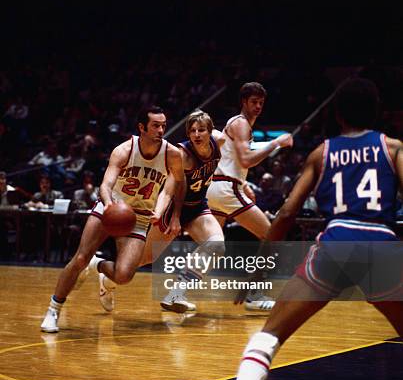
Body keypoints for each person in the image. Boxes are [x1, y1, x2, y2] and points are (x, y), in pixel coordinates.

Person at [209, 78, 403, 380]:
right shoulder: (392, 147)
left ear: (337, 113)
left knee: (268, 337)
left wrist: (258, 269)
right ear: (377, 113)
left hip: (335, 246)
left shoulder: (322, 152)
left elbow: (285, 214)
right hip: (381, 248)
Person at [41, 105, 185, 333]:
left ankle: (97, 265)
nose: (161, 130)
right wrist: (109, 205)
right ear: (142, 127)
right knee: (79, 258)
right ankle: (53, 309)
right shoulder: (124, 150)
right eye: (156, 125)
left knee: (124, 275)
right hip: (111, 208)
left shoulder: (172, 154)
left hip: (140, 216)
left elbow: (177, 184)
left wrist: (168, 212)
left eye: (163, 125)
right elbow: (106, 185)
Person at [207, 82, 293, 310]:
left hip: (217, 188)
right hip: (226, 190)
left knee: (211, 245)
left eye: (261, 103)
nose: (258, 106)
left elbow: (234, 159)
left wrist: (244, 184)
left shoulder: (238, 126)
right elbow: (246, 159)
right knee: (272, 235)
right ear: (243, 101)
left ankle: (177, 290)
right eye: (254, 102)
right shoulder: (241, 123)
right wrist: (276, 143)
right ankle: (254, 293)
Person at [140, 109, 225, 313]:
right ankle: (106, 273)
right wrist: (171, 215)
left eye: (201, 130)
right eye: (193, 130)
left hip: (197, 207)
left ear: (210, 131)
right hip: (174, 210)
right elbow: (171, 188)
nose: (196, 134)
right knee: (144, 258)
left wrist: (242, 183)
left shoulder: (219, 140)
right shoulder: (183, 155)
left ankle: (176, 294)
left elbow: (233, 160)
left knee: (217, 246)